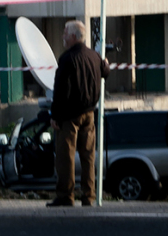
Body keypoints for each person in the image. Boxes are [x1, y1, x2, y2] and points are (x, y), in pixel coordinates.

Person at [48, 20, 110, 207]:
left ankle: (66, 196)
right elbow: (105, 73)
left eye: (65, 33)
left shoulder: (67, 59)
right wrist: (105, 64)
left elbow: (60, 90)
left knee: (65, 157)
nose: (63, 37)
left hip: (69, 116)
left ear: (74, 36)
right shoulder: (95, 56)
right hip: (90, 114)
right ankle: (89, 196)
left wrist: (55, 116)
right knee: (88, 157)